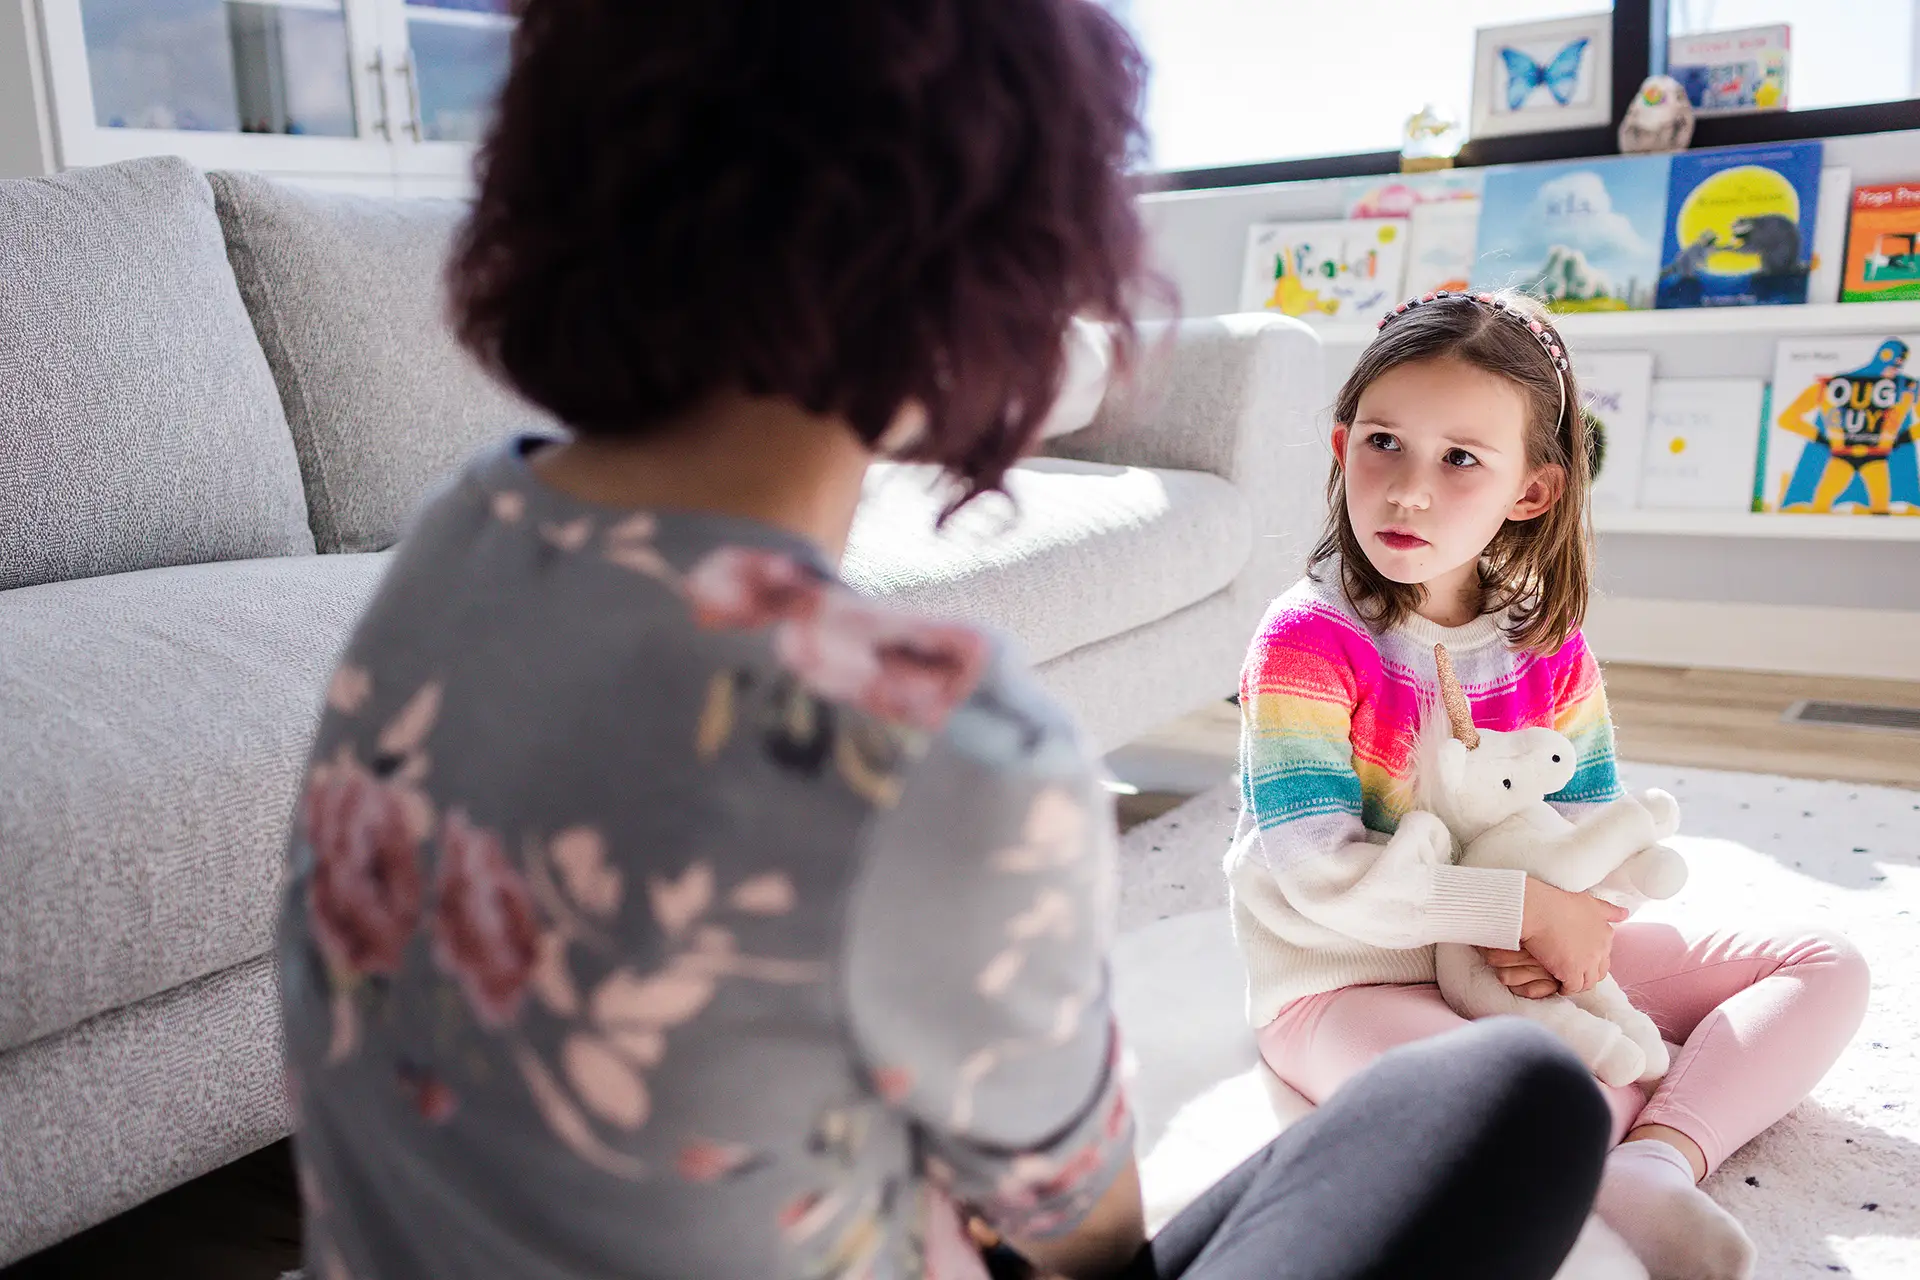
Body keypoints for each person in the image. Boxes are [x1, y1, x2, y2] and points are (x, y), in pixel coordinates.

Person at [275, 5, 1612, 1279]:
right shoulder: (934, 742)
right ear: (974, 272)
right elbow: (1078, 1236)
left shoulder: (461, 535)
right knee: (1522, 1099)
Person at [1227, 287, 1874, 1280]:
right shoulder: (1305, 641)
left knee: (1822, 960)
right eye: (1383, 443)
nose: (1405, 490)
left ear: (1531, 490)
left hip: (1511, 952)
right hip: (1346, 978)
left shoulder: (1547, 640)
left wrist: (1581, 921)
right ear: (1341, 443)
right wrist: (1524, 905)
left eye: (1460, 459)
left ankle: (1658, 1162)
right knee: (1550, 1092)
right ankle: (1608, 1159)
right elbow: (1316, 871)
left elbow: (1594, 821)